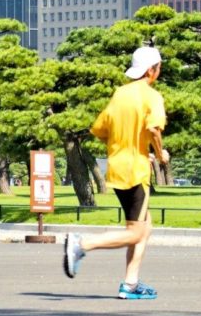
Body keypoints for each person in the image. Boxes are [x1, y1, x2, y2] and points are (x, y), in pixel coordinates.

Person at [63, 46, 169, 300]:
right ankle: (81, 245)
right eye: (159, 67)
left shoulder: (119, 94)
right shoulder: (151, 96)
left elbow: (99, 130)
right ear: (151, 70)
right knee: (135, 232)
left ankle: (130, 283)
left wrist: (129, 147)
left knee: (145, 226)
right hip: (136, 171)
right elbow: (154, 129)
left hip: (117, 167)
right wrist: (160, 152)